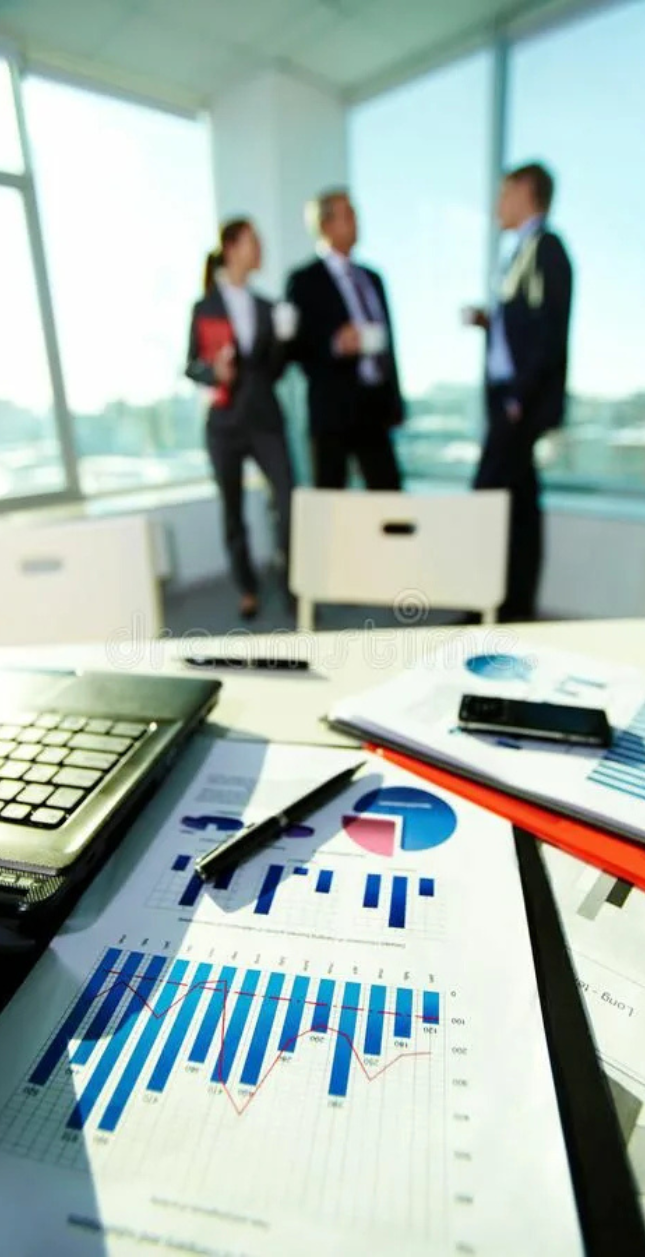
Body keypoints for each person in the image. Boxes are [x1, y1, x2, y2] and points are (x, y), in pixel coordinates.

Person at [466, 162, 573, 622]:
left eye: (504, 193)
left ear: (526, 192)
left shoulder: (546, 249)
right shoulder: (522, 252)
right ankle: (511, 606)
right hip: (510, 398)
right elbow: (525, 324)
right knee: (518, 503)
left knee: (489, 497)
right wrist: (489, 322)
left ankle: (489, 606)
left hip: (519, 402)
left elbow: (549, 332)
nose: (498, 204)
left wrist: (518, 398)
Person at [186, 219, 294, 620]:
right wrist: (215, 373)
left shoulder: (268, 307)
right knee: (233, 511)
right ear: (231, 247)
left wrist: (284, 339)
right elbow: (192, 366)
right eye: (253, 241)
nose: (260, 248)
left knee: (288, 501)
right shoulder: (205, 307)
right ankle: (246, 587)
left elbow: (276, 371)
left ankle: (293, 585)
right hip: (224, 423)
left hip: (265, 419)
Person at [286, 189, 404, 490]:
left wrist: (395, 402)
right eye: (348, 215)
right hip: (333, 410)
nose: (356, 222)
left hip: (374, 408)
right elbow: (297, 348)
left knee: (390, 498)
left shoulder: (372, 278)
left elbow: (389, 346)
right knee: (330, 500)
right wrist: (336, 344)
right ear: (325, 225)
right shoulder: (305, 281)